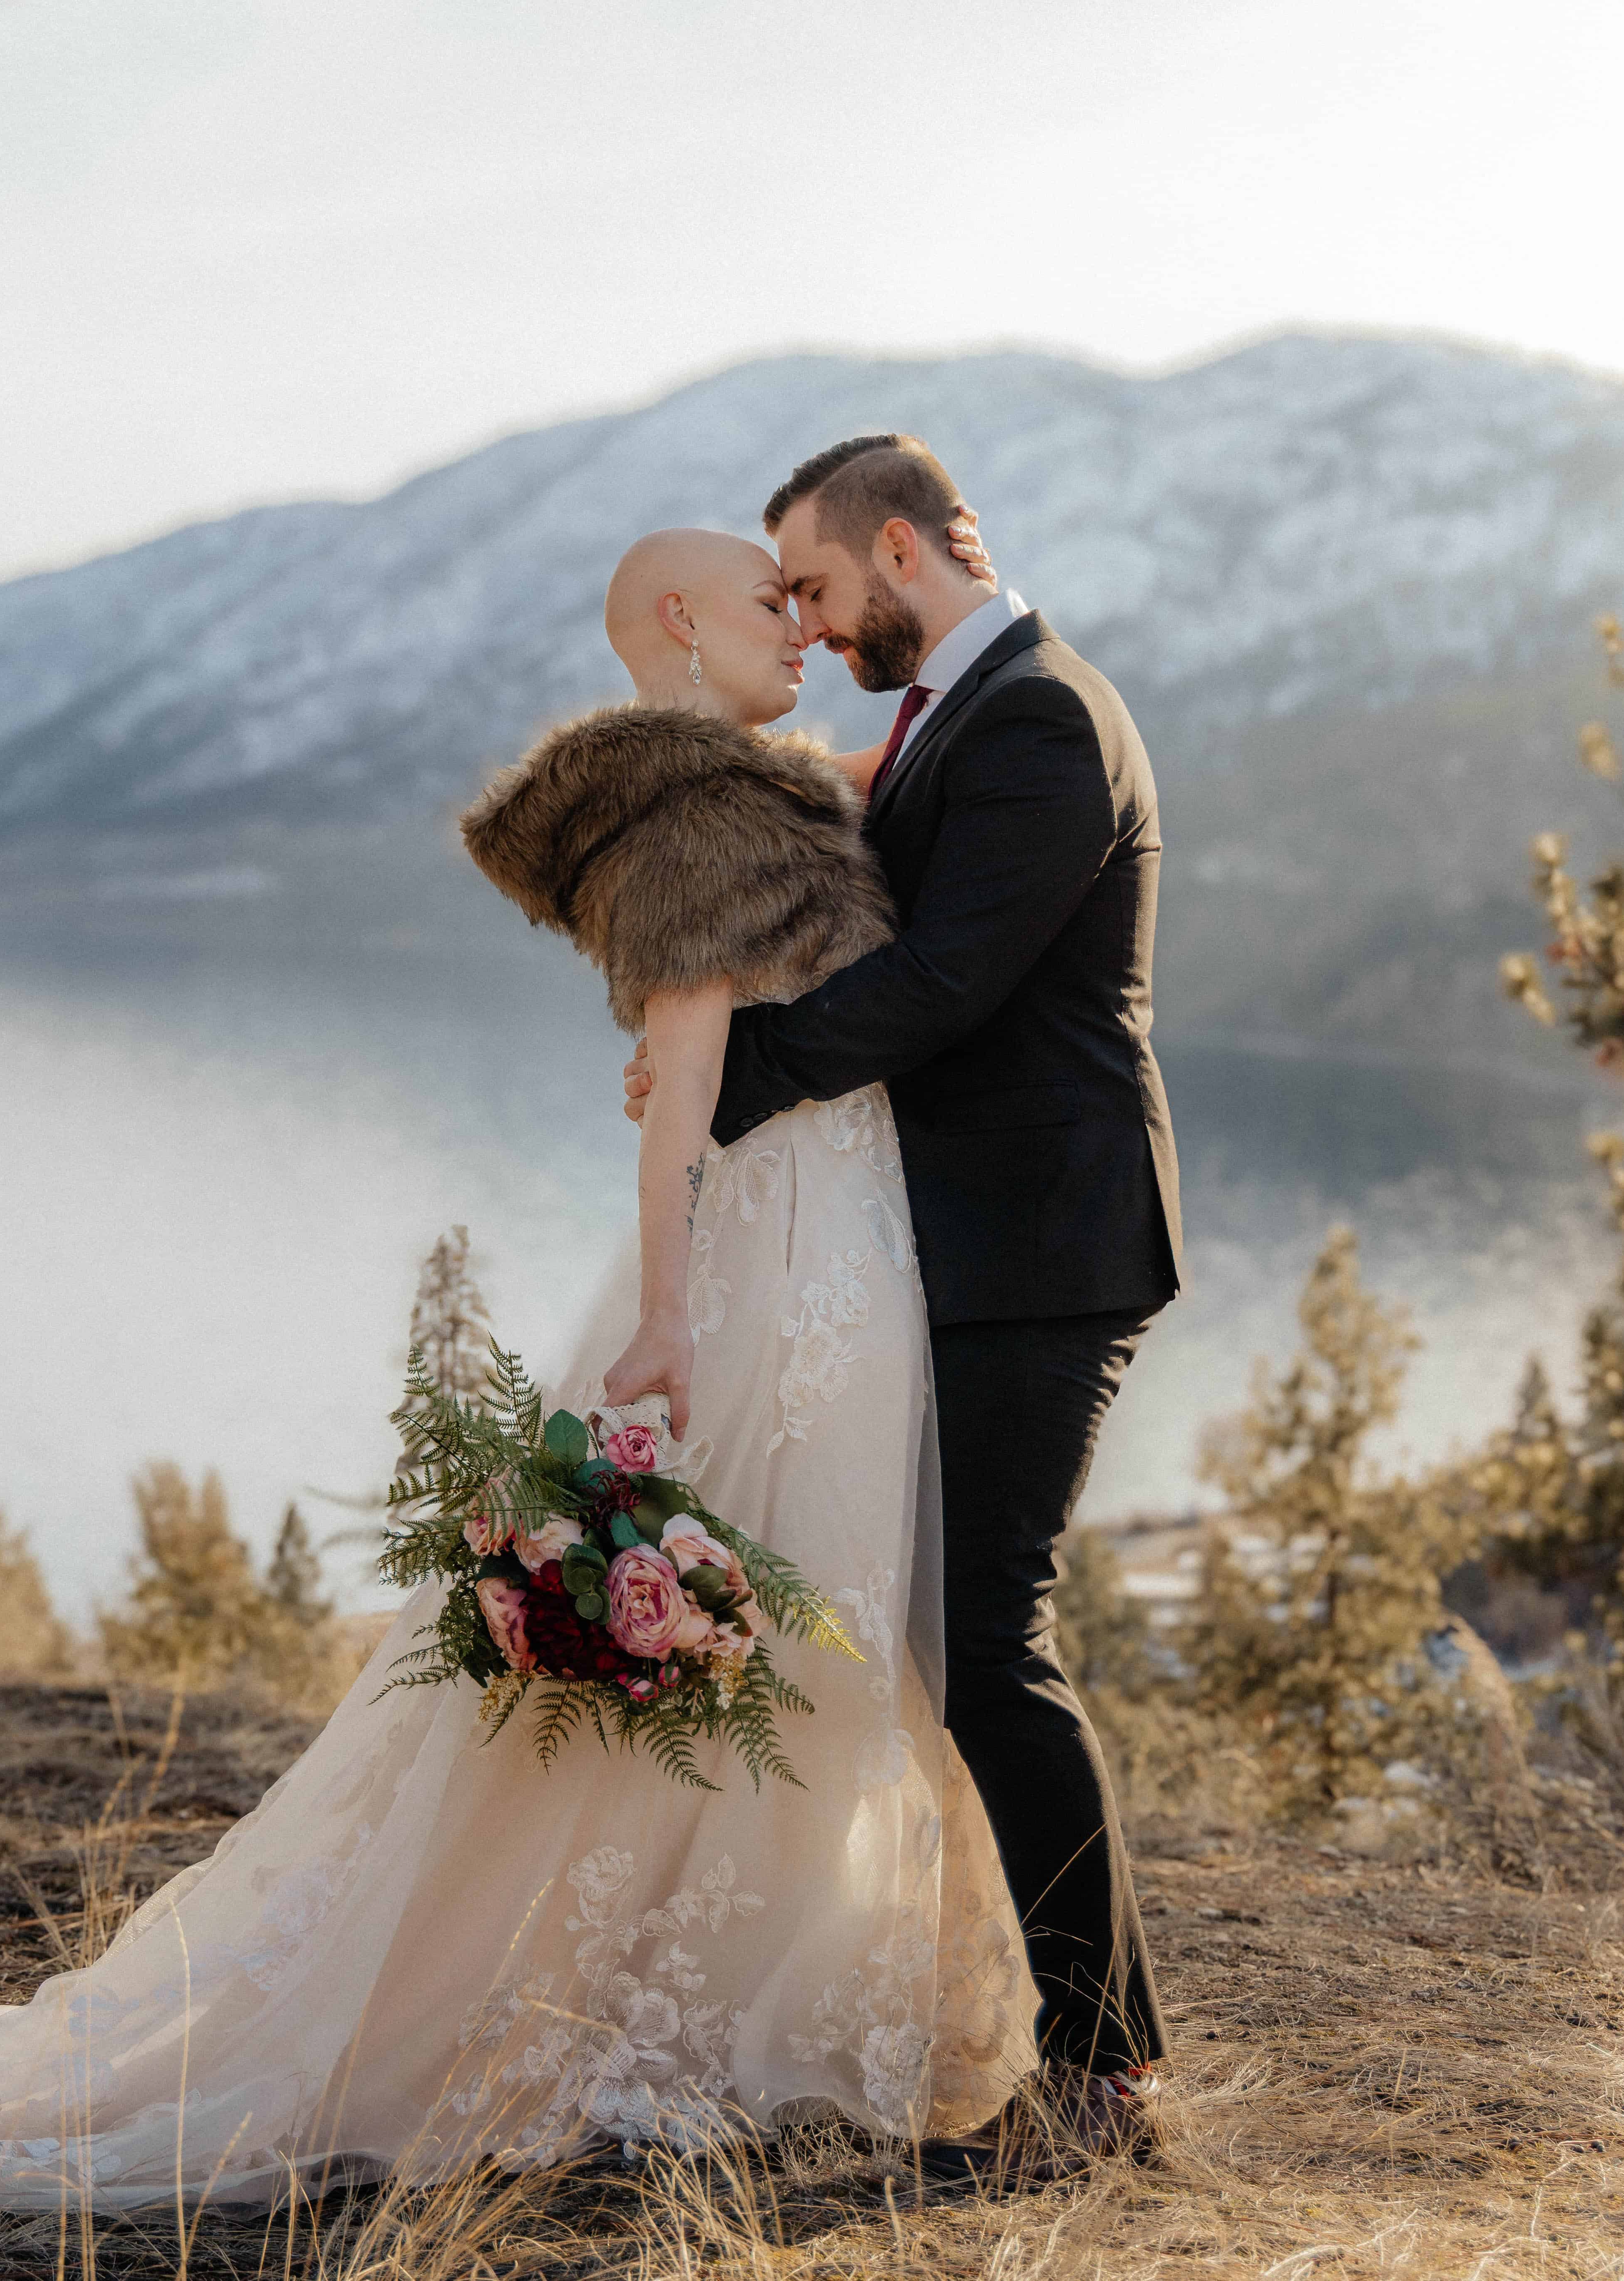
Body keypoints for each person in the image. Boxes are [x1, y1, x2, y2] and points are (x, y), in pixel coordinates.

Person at [0, 520, 1042, 2248]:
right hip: (763, 1271)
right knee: (772, 1628)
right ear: (675, 621)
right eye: (771, 605)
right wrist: (669, 1317)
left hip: (840, 1250)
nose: (804, 630)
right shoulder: (691, 812)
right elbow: (679, 1085)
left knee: (804, 1629)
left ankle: (761, 1986)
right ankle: (661, 2010)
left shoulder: (755, 787)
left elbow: (897, 791)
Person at [627, 434, 1182, 2143]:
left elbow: (945, 984)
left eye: (807, 584)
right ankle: (986, 2016)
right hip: (958, 1238)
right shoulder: (957, 710)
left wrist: (730, 1077)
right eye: (776, 597)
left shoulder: (1036, 716)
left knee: (986, 1642)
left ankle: (1104, 2069)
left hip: (1039, 1241)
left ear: (895, 548)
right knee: (942, 1635)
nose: (800, 616)